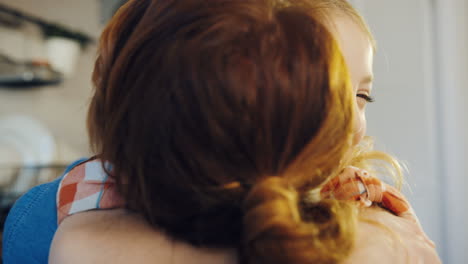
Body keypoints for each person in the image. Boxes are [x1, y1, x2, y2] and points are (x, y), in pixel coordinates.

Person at [2, 0, 441, 263]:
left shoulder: (367, 204)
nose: (350, 122)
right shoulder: (72, 225)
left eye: (362, 97)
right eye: (319, 97)